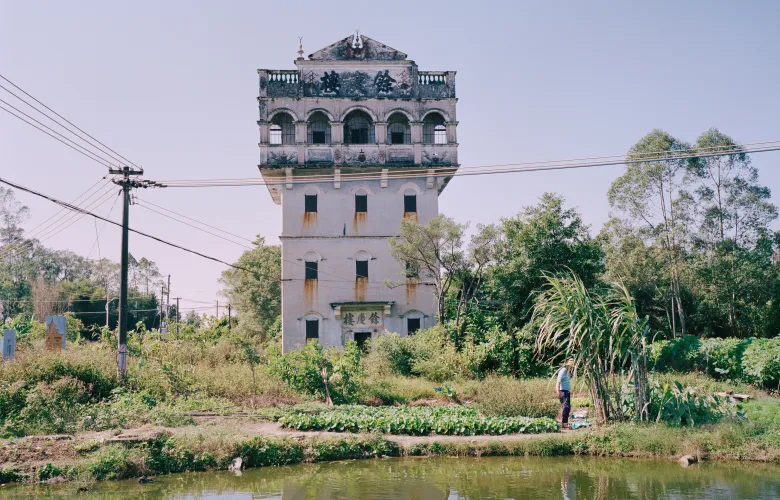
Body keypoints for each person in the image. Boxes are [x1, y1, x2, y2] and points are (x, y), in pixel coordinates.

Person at [556, 358, 573, 428]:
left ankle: (565, 422)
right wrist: (557, 391)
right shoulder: (563, 370)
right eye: (570, 362)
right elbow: (558, 381)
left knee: (568, 407)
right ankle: (564, 423)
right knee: (566, 407)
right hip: (562, 391)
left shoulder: (568, 371)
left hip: (567, 391)